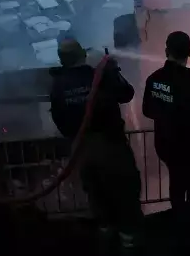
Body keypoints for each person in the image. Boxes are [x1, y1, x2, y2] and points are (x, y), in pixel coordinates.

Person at [49, 39, 143, 251]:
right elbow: (126, 93)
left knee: (97, 196)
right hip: (112, 146)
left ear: (62, 60)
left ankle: (106, 238)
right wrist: (113, 69)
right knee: (125, 192)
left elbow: (59, 118)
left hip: (83, 150)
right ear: (83, 55)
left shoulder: (58, 84)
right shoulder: (98, 76)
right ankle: (128, 242)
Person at [142, 31, 190, 224]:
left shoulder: (154, 79)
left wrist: (166, 115)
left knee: (177, 186)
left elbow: (147, 110)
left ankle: (179, 223)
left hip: (166, 147)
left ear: (167, 51)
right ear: (189, 52)